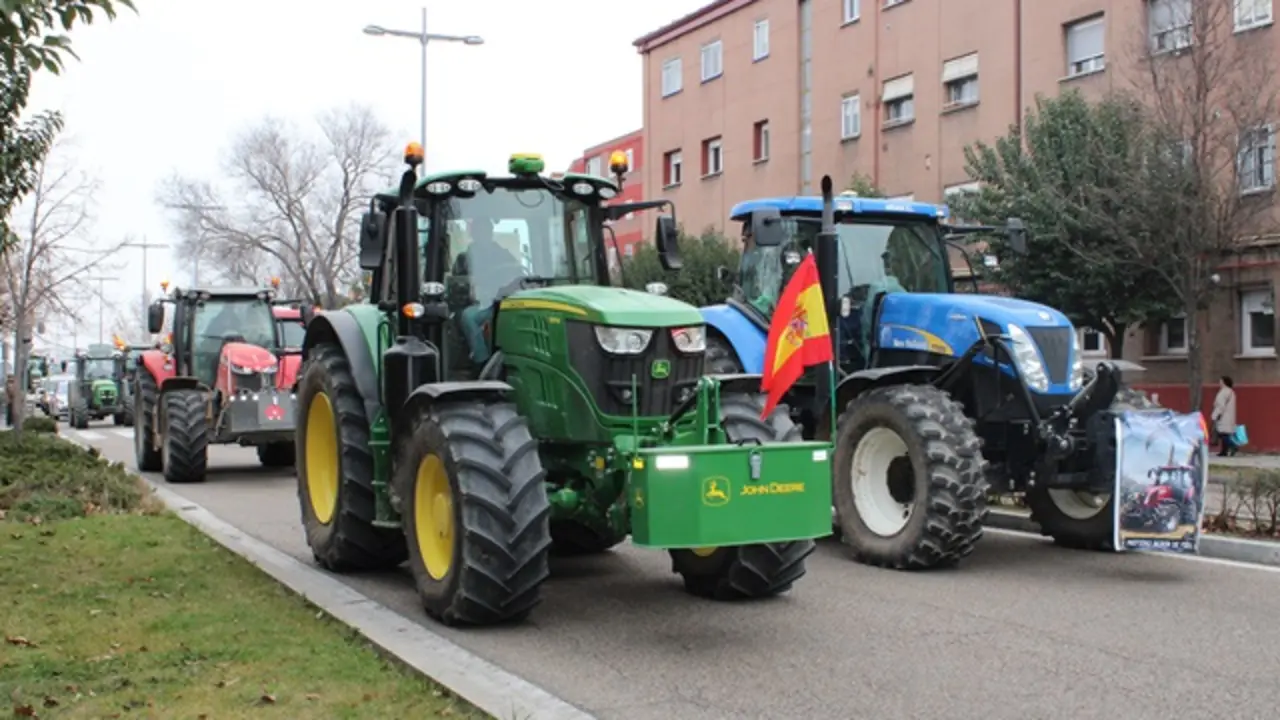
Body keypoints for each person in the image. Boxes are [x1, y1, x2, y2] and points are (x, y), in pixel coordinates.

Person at [453, 221, 523, 366]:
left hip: (505, 300)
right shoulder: (464, 258)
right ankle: (482, 360)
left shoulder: (502, 253)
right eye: (479, 231)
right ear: (474, 234)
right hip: (483, 303)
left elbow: (517, 271)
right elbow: (458, 283)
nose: (483, 235)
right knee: (468, 317)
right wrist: (474, 284)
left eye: (486, 231)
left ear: (490, 233)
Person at [1211, 375, 1238, 457]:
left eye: (1220, 381)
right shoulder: (1231, 392)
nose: (1219, 383)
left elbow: (1220, 405)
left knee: (1223, 434)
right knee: (1225, 434)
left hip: (1222, 416)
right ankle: (1224, 451)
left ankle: (1232, 446)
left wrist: (1216, 415)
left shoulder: (1223, 392)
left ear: (1224, 382)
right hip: (1229, 416)